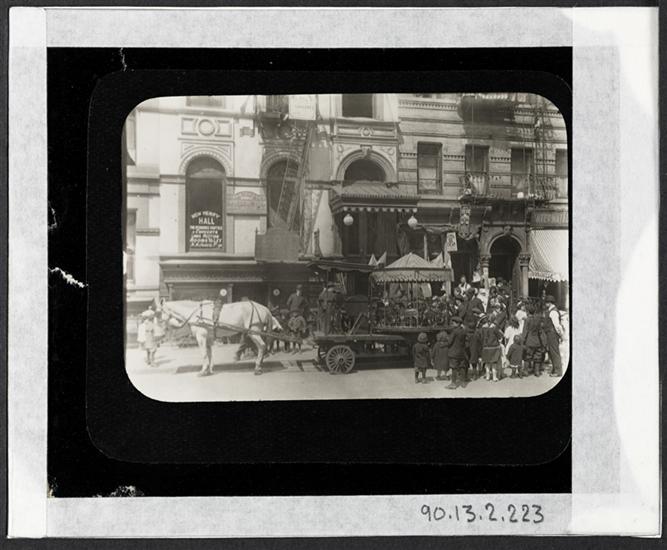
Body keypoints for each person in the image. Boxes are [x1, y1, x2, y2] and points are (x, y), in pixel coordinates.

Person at [521, 304, 546, 377]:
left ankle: (526, 371)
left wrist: (523, 341)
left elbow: (525, 331)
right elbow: (540, 332)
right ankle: (537, 371)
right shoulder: (538, 320)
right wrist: (543, 342)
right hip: (537, 341)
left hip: (529, 341)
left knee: (527, 356)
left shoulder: (527, 320)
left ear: (528, 311)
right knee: (537, 356)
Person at [543, 295, 564, 377]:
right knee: (551, 352)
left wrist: (561, 335)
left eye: (546, 302)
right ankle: (555, 369)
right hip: (550, 333)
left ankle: (558, 371)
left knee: (554, 352)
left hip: (552, 334)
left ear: (549, 303)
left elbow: (557, 326)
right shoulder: (550, 311)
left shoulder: (553, 312)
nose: (545, 304)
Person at [479, 317, 504, 382]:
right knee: (494, 363)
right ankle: (494, 377)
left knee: (487, 363)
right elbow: (500, 336)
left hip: (485, 347)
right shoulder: (494, 328)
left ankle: (488, 376)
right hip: (494, 347)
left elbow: (481, 337)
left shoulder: (483, 328)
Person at [446, 316, 468, 389]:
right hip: (462, 352)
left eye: (454, 323)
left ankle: (453, 383)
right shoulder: (463, 331)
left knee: (454, 368)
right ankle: (463, 382)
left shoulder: (454, 331)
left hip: (454, 353)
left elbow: (449, 342)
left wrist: (447, 339)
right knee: (462, 367)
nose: (452, 324)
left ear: (457, 323)